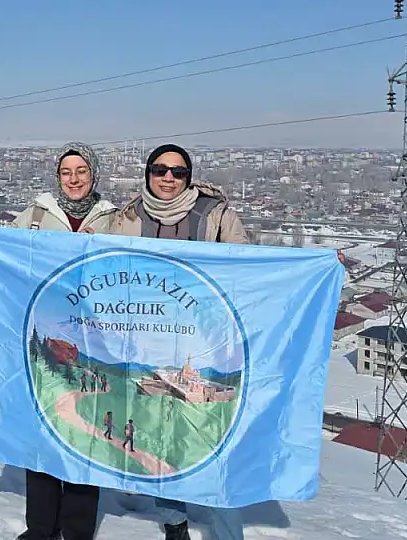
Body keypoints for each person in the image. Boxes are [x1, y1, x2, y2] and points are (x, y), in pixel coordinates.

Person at [0, 141, 117, 540]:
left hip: (93, 342)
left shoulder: (114, 220)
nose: (74, 179)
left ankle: (78, 528)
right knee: (43, 432)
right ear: (57, 177)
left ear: (94, 174)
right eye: (67, 172)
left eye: (81, 171)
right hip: (45, 339)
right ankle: (41, 527)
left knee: (85, 435)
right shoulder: (34, 215)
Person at [110, 143, 246, 540]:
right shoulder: (128, 217)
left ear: (189, 176)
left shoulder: (216, 215)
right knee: (162, 437)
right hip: (152, 341)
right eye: (159, 169)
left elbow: (249, 264)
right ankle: (174, 523)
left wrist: (318, 265)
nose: (168, 177)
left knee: (219, 440)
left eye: (178, 171)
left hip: (207, 340)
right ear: (147, 173)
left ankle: (226, 531)